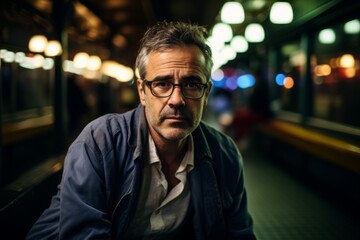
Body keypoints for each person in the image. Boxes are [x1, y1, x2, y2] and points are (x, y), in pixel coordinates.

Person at [26, 21, 256, 239]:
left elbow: (239, 234)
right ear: (142, 91)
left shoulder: (224, 154)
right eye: (162, 84)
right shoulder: (100, 142)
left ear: (206, 93)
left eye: (192, 84)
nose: (177, 100)